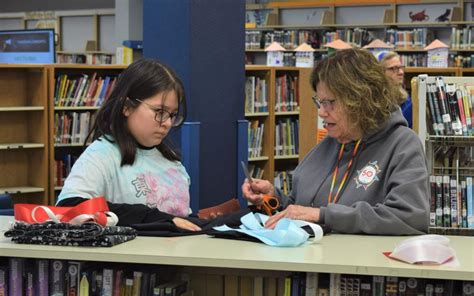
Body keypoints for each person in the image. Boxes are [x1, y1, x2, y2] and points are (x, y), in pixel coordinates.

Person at [242, 48, 429, 235]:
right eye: (320, 102)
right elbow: (303, 209)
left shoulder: (402, 145)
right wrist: (273, 197)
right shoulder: (328, 144)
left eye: (331, 102)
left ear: (362, 100)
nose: (321, 112)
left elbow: (410, 217)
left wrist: (324, 216)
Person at [57, 58, 200, 231]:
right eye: (159, 112)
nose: (167, 123)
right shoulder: (102, 154)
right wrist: (153, 217)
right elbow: (69, 207)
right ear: (127, 107)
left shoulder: (171, 160)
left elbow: (182, 218)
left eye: (172, 115)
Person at [378, 51, 413, 128]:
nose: (401, 72)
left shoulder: (408, 103)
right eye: (394, 68)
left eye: (401, 68)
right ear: (380, 73)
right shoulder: (375, 102)